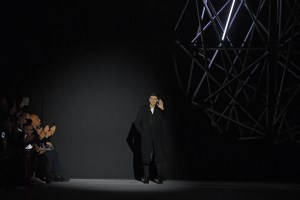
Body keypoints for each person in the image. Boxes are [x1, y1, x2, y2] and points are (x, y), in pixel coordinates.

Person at [134, 92, 165, 184]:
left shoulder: (159, 110)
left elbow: (163, 121)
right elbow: (137, 123)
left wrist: (162, 109)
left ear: (157, 101)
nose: (153, 100)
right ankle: (146, 178)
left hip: (156, 137)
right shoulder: (143, 109)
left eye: (155, 99)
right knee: (146, 157)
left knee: (158, 156)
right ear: (149, 99)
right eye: (151, 98)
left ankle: (159, 178)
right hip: (146, 137)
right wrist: (143, 133)